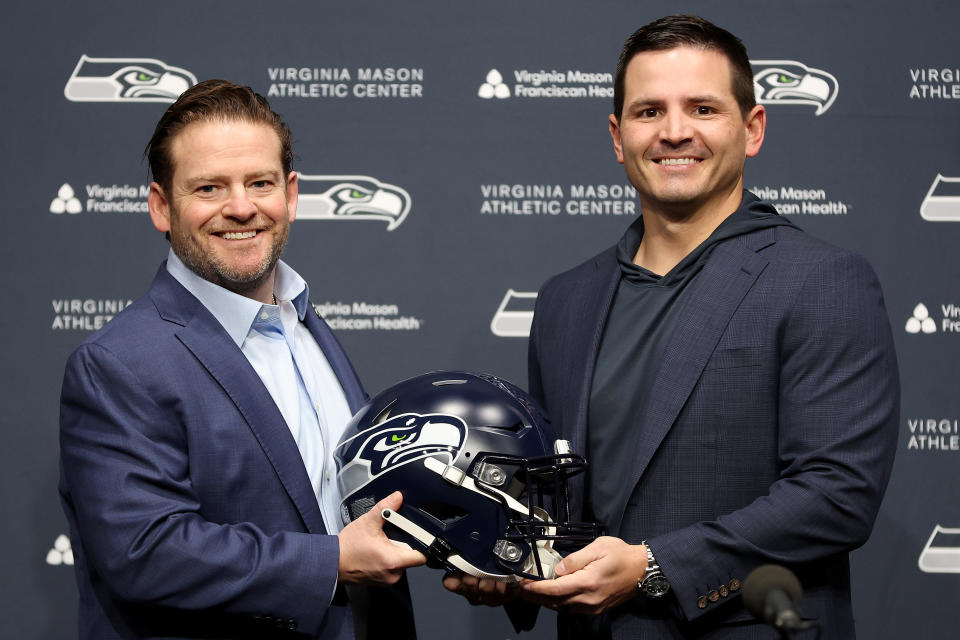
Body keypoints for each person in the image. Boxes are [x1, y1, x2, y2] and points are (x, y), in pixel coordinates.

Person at [446, 14, 899, 639]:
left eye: (703, 108)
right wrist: (509, 562)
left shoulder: (822, 281)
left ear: (753, 128)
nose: (675, 132)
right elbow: (554, 497)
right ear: (617, 134)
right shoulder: (565, 300)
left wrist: (654, 566)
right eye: (649, 111)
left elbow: (837, 495)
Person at [59, 79, 425, 640]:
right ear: (162, 206)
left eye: (260, 182)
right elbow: (145, 550)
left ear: (292, 194)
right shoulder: (117, 364)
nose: (241, 207)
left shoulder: (309, 330)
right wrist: (330, 561)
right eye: (209, 187)